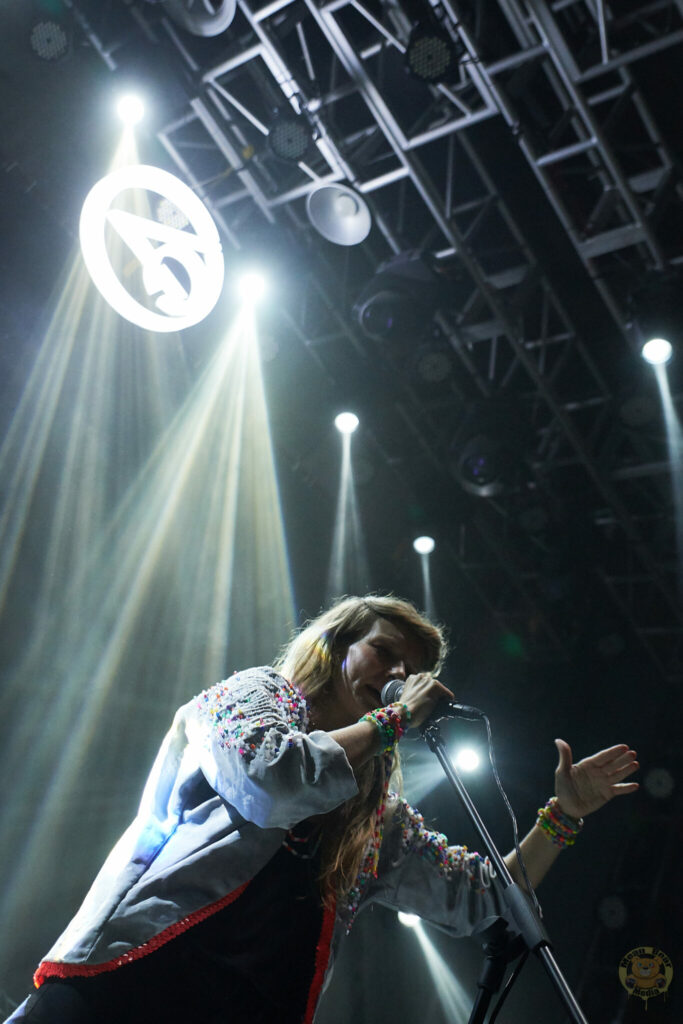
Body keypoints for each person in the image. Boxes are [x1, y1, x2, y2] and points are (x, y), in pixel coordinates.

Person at [5, 595, 639, 1024]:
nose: (397, 674)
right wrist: (391, 722)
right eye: (386, 653)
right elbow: (273, 780)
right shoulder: (254, 696)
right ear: (337, 645)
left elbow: (481, 898)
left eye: (411, 670)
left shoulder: (377, 814)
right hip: (126, 980)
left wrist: (563, 815)